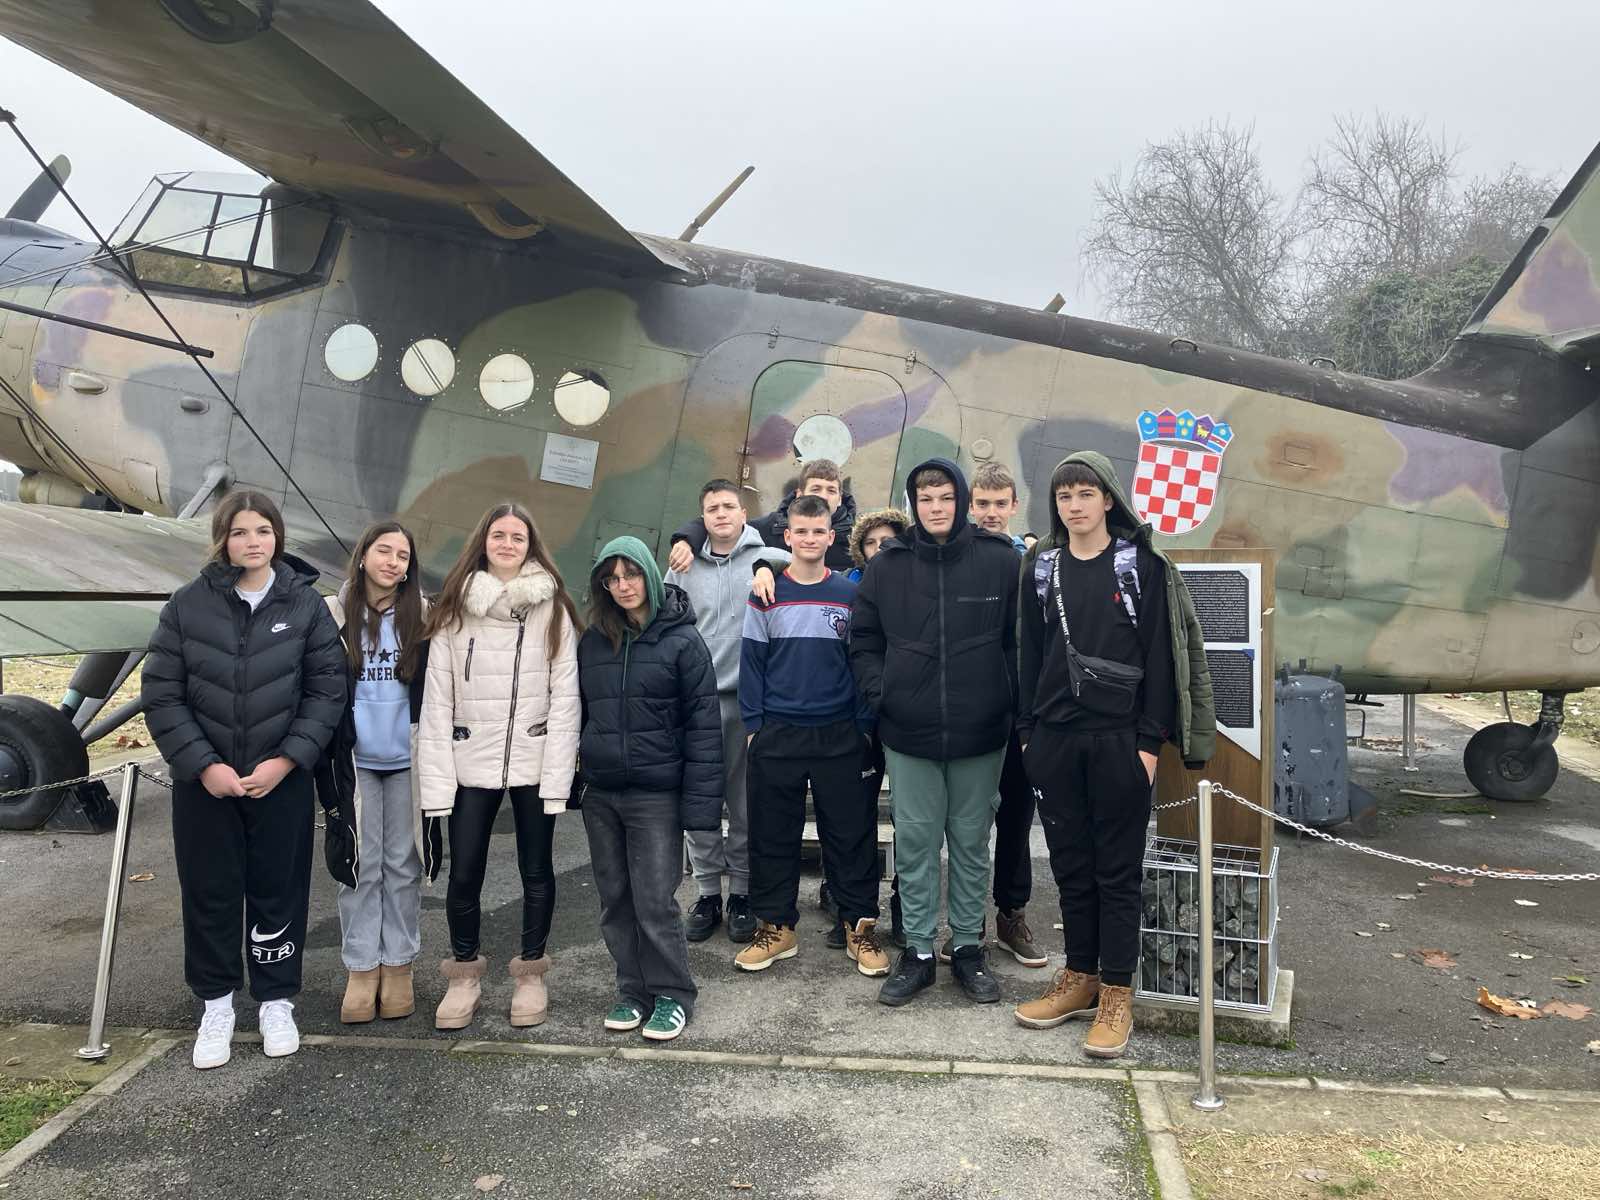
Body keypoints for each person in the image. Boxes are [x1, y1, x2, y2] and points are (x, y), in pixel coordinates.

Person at [1013, 452, 1215, 1059]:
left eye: (1085, 494)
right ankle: (1080, 976)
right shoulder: (1041, 567)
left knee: (1117, 873)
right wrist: (1028, 734)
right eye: (1064, 496)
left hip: (1121, 741)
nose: (1074, 506)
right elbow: (1028, 651)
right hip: (1054, 739)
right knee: (1071, 867)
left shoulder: (1141, 567)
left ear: (1108, 499)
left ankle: (1117, 993)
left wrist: (1149, 745)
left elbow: (1161, 656)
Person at [141, 490, 346, 1070]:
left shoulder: (305, 607)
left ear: (277, 537)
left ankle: (276, 1000)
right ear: (222, 539)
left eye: (262, 531)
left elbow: (326, 692)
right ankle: (216, 1004)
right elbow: (162, 693)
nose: (252, 542)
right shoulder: (187, 605)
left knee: (279, 889)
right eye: (239, 532)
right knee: (210, 891)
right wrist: (204, 766)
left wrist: (286, 761)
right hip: (205, 784)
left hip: (280, 780)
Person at [849, 458, 1019, 1007]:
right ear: (914, 504)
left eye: (946, 497)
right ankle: (919, 951)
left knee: (971, 843)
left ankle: (967, 948)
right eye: (926, 499)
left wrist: (1006, 700)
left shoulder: (999, 562)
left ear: (962, 499)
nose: (937, 508)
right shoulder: (888, 566)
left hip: (980, 733)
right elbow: (864, 640)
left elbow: (1020, 642)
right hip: (909, 733)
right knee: (916, 844)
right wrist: (883, 694)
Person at [416, 502, 582, 1032]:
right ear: (483, 542)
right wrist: (436, 780)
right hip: (471, 759)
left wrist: (558, 775)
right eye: (498, 535)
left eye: (517, 537)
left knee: (537, 870)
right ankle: (463, 975)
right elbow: (437, 701)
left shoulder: (553, 609)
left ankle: (531, 974)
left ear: (531, 546)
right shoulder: (454, 609)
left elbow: (566, 699)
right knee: (465, 871)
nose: (507, 544)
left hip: (533, 758)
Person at [733, 495, 887, 977]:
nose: (810, 539)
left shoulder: (849, 594)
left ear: (831, 537)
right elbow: (751, 662)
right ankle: (777, 927)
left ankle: (858, 927)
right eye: (801, 531)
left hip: (840, 733)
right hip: (777, 732)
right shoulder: (765, 593)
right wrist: (754, 726)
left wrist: (863, 725)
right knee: (772, 834)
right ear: (787, 536)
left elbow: (862, 661)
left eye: (819, 531)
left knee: (851, 835)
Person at [578, 537, 723, 1042]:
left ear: (649, 575)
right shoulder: (593, 641)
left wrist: (700, 808)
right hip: (602, 793)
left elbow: (704, 728)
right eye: (612, 579)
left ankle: (672, 994)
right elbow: (576, 711)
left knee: (654, 900)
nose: (623, 586)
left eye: (631, 574)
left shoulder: (683, 642)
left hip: (656, 794)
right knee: (614, 898)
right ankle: (633, 989)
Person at [314, 520, 433, 1025]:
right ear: (363, 555)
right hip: (354, 761)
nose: (392, 562)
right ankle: (361, 967)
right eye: (384, 551)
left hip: (406, 760)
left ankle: (399, 963)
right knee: (360, 863)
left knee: (403, 864)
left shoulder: (423, 616)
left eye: (402, 556)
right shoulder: (332, 614)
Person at [665, 479, 791, 945]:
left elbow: (788, 559)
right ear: (702, 518)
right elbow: (665, 625)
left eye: (729, 507)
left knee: (743, 803)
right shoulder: (682, 565)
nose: (721, 514)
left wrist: (765, 566)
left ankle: (741, 892)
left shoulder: (767, 559)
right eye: (712, 508)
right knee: (700, 801)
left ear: (743, 514)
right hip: (695, 701)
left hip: (745, 701)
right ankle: (706, 893)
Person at [949, 461, 1049, 970]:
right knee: (964, 825)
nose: (990, 513)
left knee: (1015, 818)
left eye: (999, 504)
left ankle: (1011, 915)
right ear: (971, 506)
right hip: (967, 711)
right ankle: (964, 926)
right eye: (982, 504)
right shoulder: (952, 557)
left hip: (1016, 714)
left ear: (1014, 506)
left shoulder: (1029, 562)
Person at [667, 458, 857, 575]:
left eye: (831, 490)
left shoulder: (857, 536)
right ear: (799, 494)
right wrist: (686, 540)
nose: (823, 496)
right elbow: (726, 523)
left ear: (840, 498)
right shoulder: (770, 527)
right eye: (816, 489)